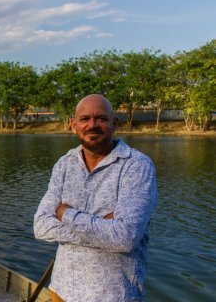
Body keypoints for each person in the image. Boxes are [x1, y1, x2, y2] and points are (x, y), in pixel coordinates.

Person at [34, 94, 157, 302]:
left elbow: (125, 238)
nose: (92, 125)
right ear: (73, 125)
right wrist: (103, 225)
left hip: (113, 295)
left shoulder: (136, 166)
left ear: (114, 124)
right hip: (62, 290)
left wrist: (65, 213)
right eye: (84, 119)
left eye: (101, 118)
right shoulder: (64, 165)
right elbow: (40, 226)